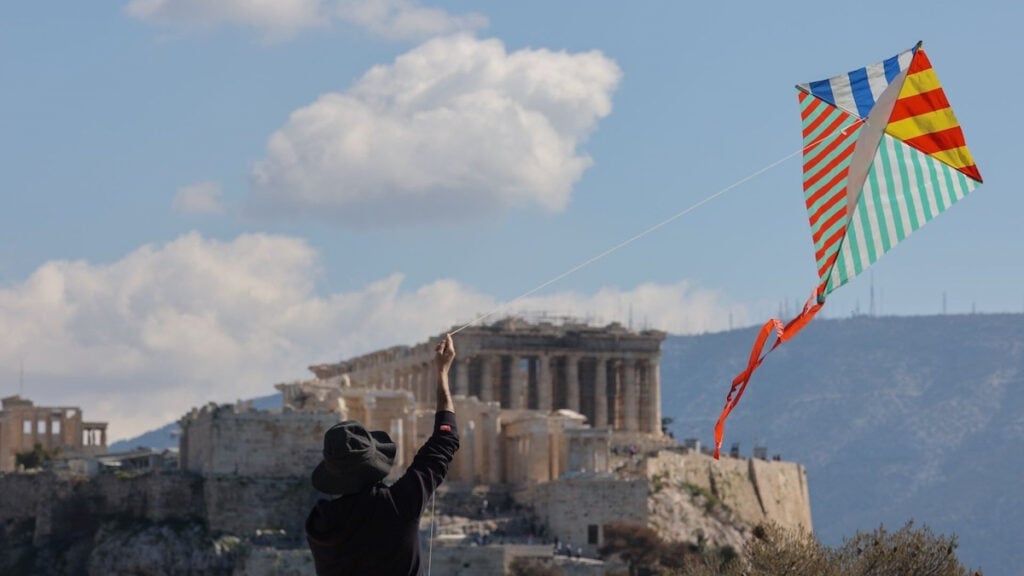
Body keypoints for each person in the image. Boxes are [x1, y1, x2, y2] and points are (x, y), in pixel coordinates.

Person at [305, 334, 460, 575]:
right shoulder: (398, 505)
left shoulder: (319, 522)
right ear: (375, 462)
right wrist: (442, 374)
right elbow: (445, 439)